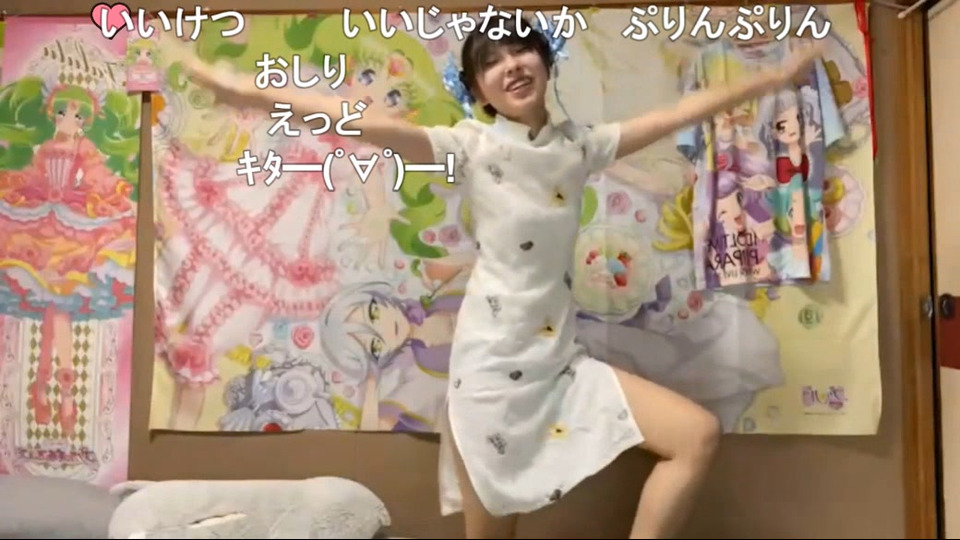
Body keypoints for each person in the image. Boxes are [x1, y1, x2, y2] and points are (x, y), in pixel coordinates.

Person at [180, 14, 824, 539]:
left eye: (522, 51)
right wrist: (249, 95)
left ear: (545, 62)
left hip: (560, 364)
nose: (512, 64)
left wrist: (770, 78)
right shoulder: (471, 145)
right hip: (489, 374)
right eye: (492, 61)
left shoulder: (581, 146)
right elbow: (366, 124)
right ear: (478, 89)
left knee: (696, 435)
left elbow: (679, 114)